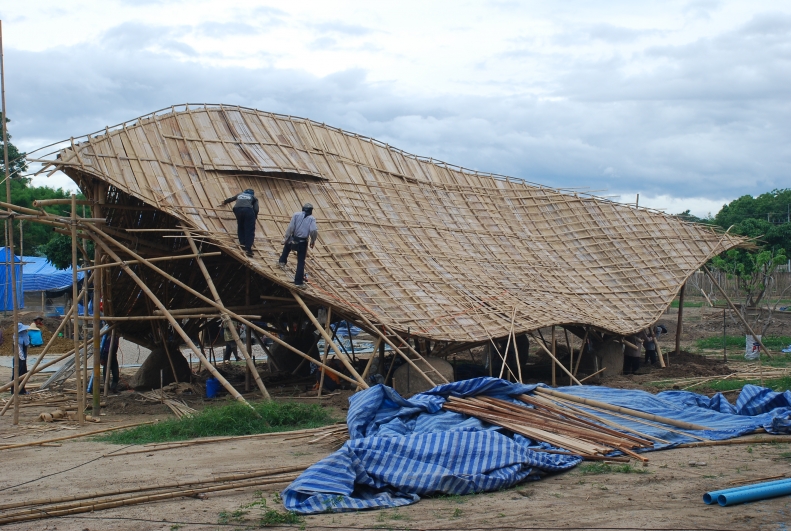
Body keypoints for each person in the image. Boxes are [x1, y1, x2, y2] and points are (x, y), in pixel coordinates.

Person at [278, 202, 318, 287]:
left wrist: (286, 237)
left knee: (287, 247)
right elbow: (313, 230)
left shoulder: (296, 214)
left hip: (293, 237)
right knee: (300, 261)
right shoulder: (312, 219)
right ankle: (298, 282)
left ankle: (282, 261)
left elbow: (291, 227)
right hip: (302, 241)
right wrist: (312, 241)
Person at [219, 188, 259, 257]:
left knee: (240, 226)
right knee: (249, 229)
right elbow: (256, 209)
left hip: (237, 209)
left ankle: (242, 243)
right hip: (248, 210)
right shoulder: (253, 197)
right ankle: (248, 249)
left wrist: (224, 202)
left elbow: (231, 199)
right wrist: (254, 216)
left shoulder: (239, 194)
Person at [10, 323, 30, 395]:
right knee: (18, 375)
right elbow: (19, 351)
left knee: (23, 374)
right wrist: (22, 361)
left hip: (22, 359)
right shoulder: (17, 340)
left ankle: (21, 390)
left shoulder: (21, 338)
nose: (25, 332)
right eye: (24, 331)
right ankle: (17, 391)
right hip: (19, 360)